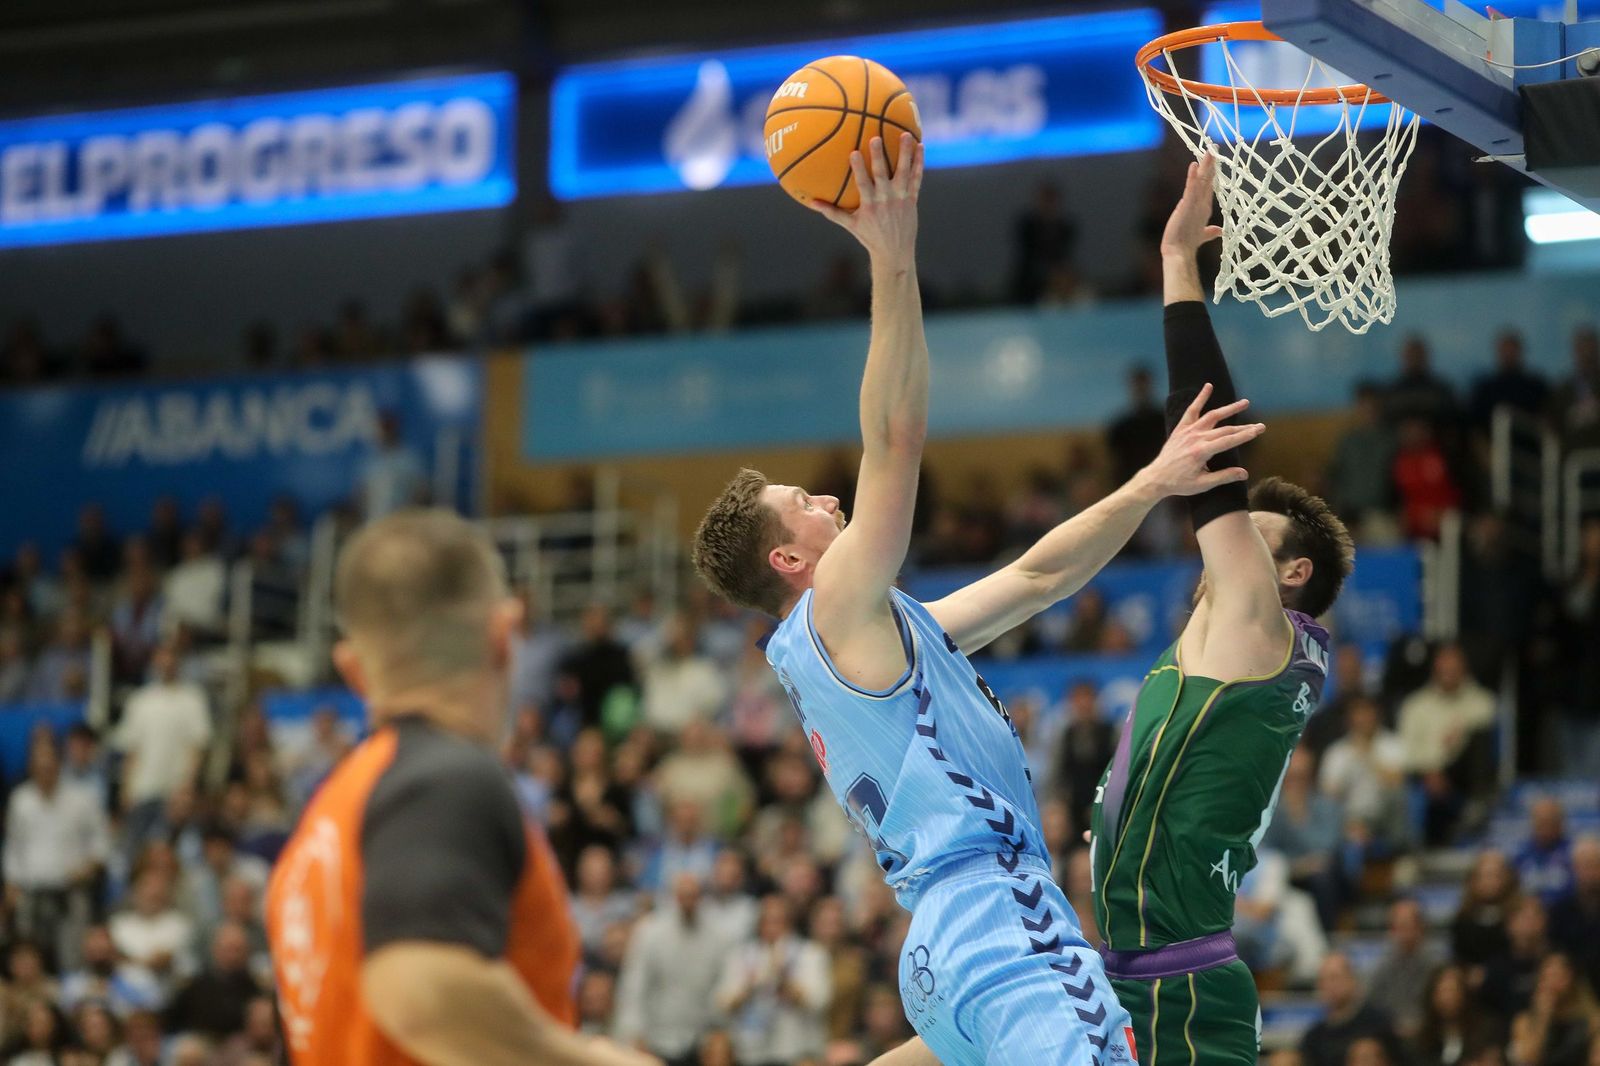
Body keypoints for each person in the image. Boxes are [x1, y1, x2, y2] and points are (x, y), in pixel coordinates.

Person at [691, 136, 1259, 1066]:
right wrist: (893, 255)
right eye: (806, 504)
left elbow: (1037, 578)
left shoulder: (862, 637)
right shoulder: (836, 600)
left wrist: (1154, 482)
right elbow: (896, 434)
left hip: (942, 950)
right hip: (996, 918)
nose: (829, 498)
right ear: (791, 558)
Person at [1090, 155, 1353, 1066]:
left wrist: (1176, 263)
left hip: (1174, 987)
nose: (1224, 544)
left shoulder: (1258, 632)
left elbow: (1209, 446)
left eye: (1249, 536)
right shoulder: (1226, 642)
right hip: (1128, 970)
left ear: (1291, 576)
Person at [263, 509, 658, 1066]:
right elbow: (421, 990)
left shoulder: (324, 820)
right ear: (504, 636)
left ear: (353, 670)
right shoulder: (448, 781)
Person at [613, 873, 732, 1066]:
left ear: (701, 898)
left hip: (699, 1038)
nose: (688, 901)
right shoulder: (650, 932)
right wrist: (634, 1033)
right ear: (674, 897)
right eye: (684, 895)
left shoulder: (717, 936)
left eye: (693, 895)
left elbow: (721, 986)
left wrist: (717, 1028)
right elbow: (634, 987)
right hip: (655, 1037)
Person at [1299, 953, 1406, 1066]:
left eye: (1334, 977)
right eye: (1322, 980)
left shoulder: (1379, 1023)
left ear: (1352, 980)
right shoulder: (1314, 1037)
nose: (1328, 985)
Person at [1365, 900, 1445, 1039]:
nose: (1404, 932)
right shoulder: (1382, 967)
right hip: (1391, 1034)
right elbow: (1373, 1004)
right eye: (1399, 926)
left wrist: (1422, 1025)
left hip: (1431, 1033)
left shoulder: (1437, 965)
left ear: (1421, 927)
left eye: (1409, 925)